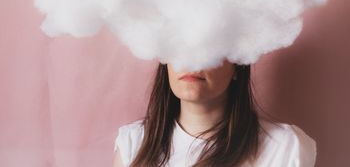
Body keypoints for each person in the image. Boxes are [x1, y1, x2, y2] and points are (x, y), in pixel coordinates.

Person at [113, 60, 317, 167]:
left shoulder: (284, 147)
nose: (191, 62)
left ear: (238, 64)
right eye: (178, 46)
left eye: (208, 47)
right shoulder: (133, 143)